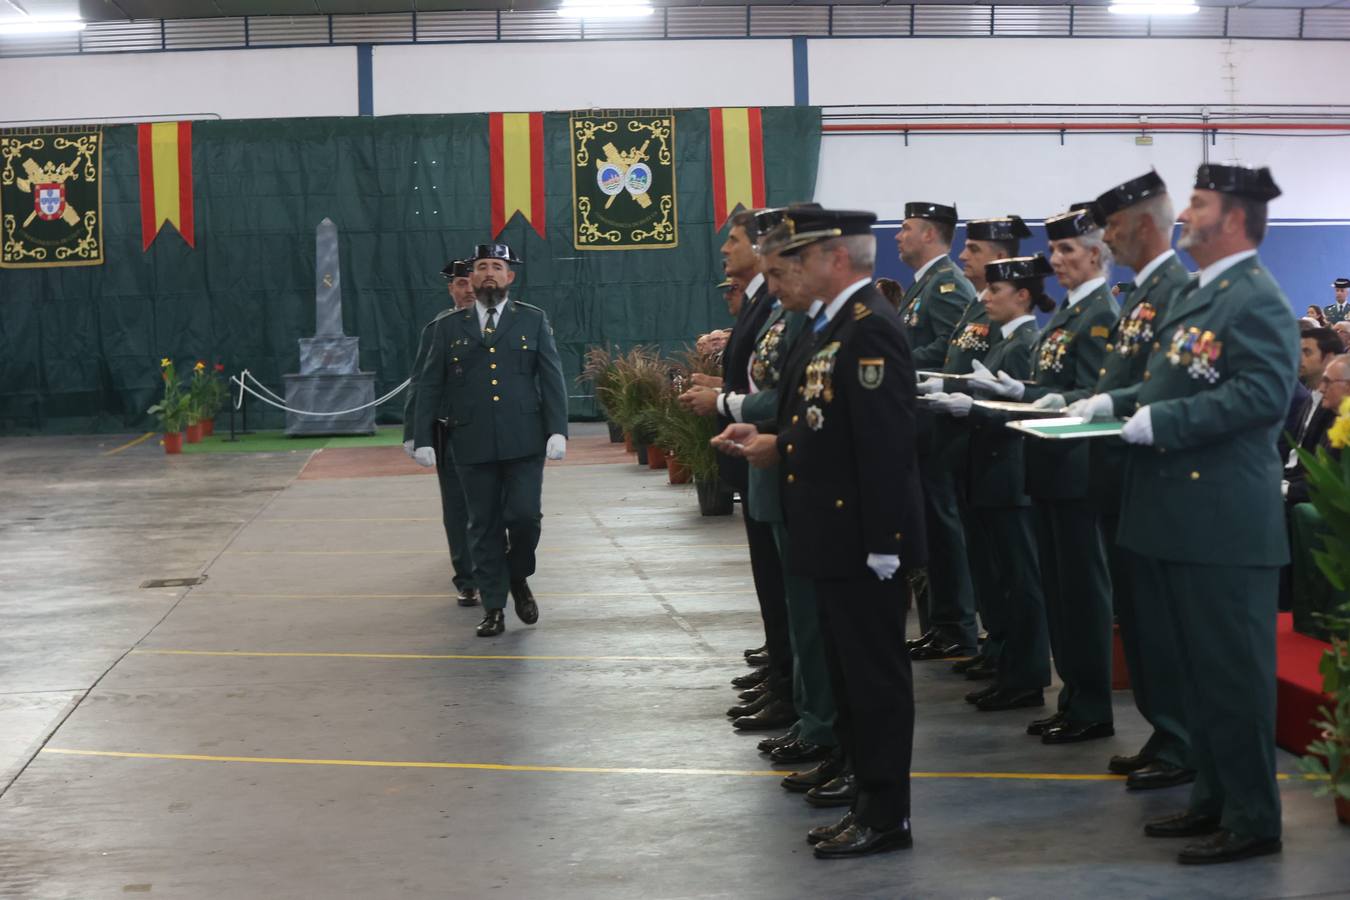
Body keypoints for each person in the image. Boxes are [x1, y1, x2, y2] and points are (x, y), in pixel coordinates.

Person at [1075, 163, 1295, 864]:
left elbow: (1262, 395)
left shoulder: (1254, 298)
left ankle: (1254, 817)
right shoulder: (1201, 295)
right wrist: (1118, 402)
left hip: (1224, 524)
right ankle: (1213, 800)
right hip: (1180, 518)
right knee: (1198, 677)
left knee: (1233, 679)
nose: (1185, 214)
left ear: (1232, 219)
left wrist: (1162, 422)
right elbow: (1167, 378)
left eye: (1197, 203)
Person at [715, 207, 925, 859]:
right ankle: (864, 796)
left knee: (875, 683)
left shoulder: (869, 329)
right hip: (832, 533)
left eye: (799, 260)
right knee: (848, 675)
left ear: (836, 258)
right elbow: (820, 422)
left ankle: (886, 815)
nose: (790, 274)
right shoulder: (830, 328)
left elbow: (886, 446)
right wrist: (779, 443)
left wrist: (887, 545)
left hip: (863, 539)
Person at [1042, 172, 1194, 787]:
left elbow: (1170, 384)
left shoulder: (1176, 290)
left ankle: (1182, 740)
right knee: (1139, 618)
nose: (1106, 238)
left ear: (1143, 226)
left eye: (1113, 226)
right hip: (1122, 476)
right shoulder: (1142, 293)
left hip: (1153, 476)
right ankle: (1165, 732)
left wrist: (1110, 403)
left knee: (1160, 619)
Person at [971, 204, 1119, 744]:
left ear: (1098, 254)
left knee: (1082, 594)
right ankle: (1074, 698)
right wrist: (1023, 394)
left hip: (1078, 471)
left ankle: (1093, 705)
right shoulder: (1068, 314)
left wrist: (1050, 397)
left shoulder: (1101, 312)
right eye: (1054, 250)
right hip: (1049, 468)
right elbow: (1054, 388)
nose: (1058, 261)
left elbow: (1100, 393)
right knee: (1060, 594)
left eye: (1069, 250)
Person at [411, 243, 568, 638]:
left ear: (509, 276)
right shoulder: (448, 327)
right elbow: (429, 383)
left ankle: (518, 577)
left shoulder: (532, 320)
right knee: (483, 526)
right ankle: (495, 607)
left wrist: (558, 429)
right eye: (482, 267)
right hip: (470, 441)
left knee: (524, 518)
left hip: (523, 440)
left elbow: (550, 377)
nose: (489, 274)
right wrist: (421, 435)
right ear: (472, 277)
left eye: (497, 267)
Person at [681, 209, 796, 732]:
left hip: (780, 458)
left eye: (735, 240)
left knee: (786, 588)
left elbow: (776, 390)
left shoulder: (778, 305)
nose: (725, 250)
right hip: (759, 456)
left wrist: (724, 402)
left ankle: (792, 688)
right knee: (773, 583)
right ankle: (782, 672)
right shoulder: (763, 303)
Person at [929, 255, 1055, 712]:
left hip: (1010, 472)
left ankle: (1026, 675)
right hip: (989, 469)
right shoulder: (1006, 340)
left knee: (1020, 580)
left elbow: (1028, 411)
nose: (984, 297)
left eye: (994, 292)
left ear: (1022, 296)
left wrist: (975, 408)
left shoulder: (1024, 342)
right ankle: (1007, 664)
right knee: (1000, 578)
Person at [923, 215, 1032, 682]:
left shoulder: (1015, 328)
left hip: (997, 457)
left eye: (975, 249)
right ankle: (998, 646)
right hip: (970, 450)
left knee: (1012, 573)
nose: (964, 256)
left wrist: (966, 393)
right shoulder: (979, 308)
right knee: (989, 567)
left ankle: (1014, 659)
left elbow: (1015, 390)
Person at [895, 201, 980, 661]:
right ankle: (943, 622)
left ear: (929, 234)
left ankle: (959, 624)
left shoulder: (946, 284)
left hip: (936, 420)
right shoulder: (924, 284)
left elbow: (949, 350)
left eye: (905, 228)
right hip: (920, 419)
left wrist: (893, 363)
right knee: (933, 528)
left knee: (945, 528)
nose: (897, 235)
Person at [403, 259, 480, 607]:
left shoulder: (508, 323)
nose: (467, 291)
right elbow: (421, 382)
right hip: (453, 432)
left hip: (500, 431)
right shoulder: (438, 328)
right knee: (458, 508)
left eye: (471, 283)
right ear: (451, 289)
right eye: (460, 285)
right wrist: (414, 433)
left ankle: (497, 566)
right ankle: (467, 578)